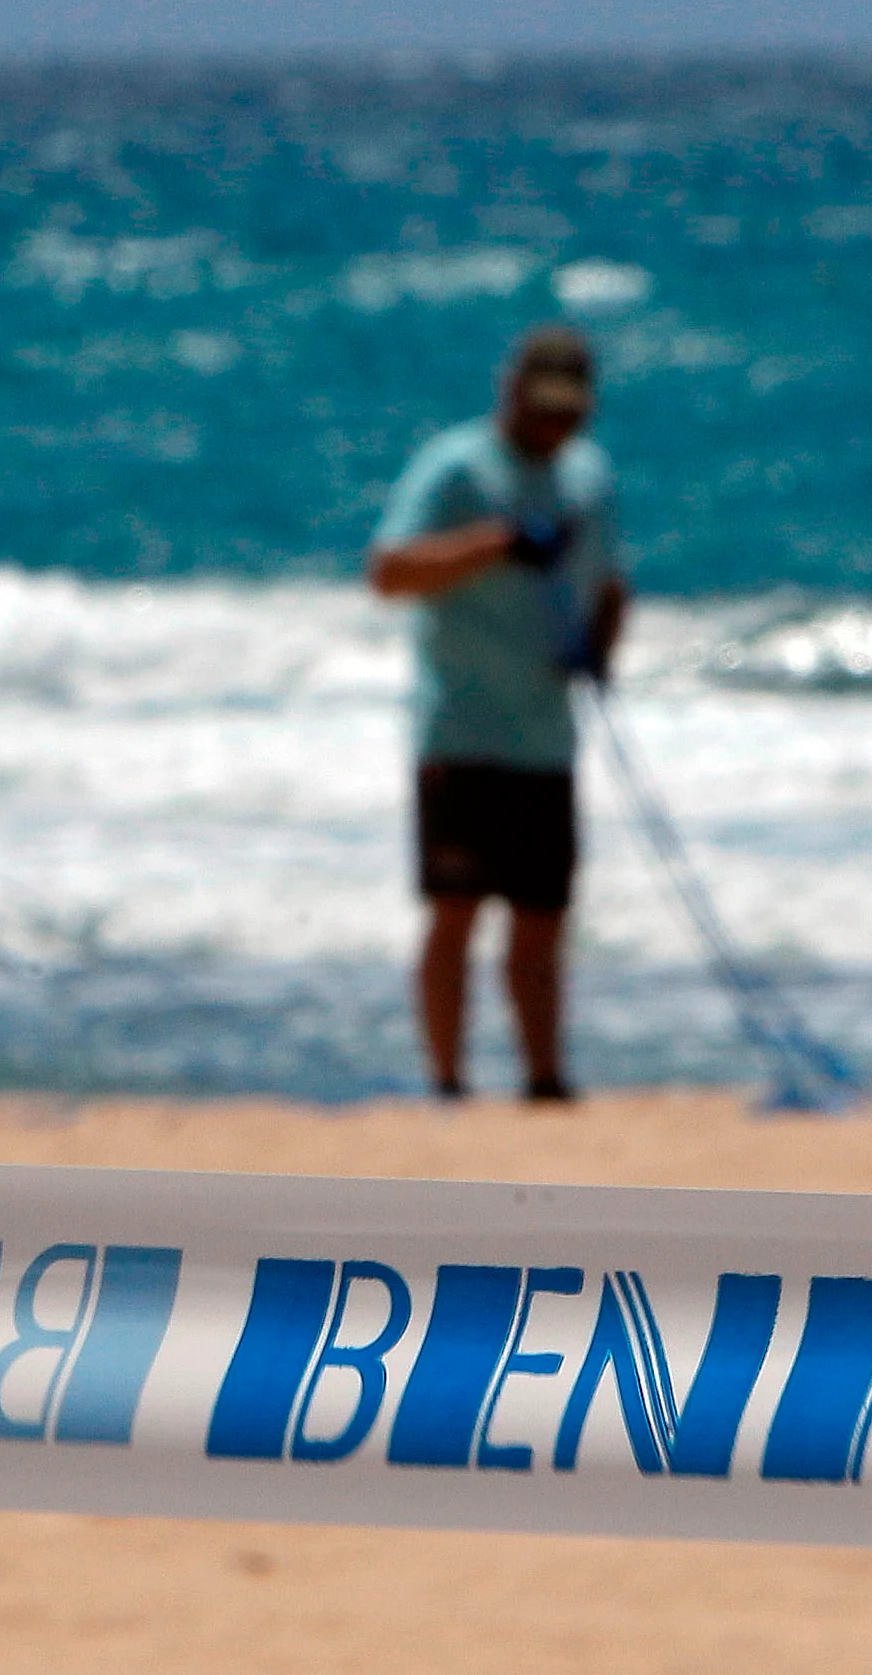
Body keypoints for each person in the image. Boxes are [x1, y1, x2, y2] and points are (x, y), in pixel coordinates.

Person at [364, 323, 628, 1106]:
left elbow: (610, 582)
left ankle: (544, 1078)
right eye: (543, 409)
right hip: (461, 731)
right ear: (511, 394)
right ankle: (447, 1080)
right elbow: (390, 571)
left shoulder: (589, 476)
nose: (555, 427)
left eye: (569, 413)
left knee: (544, 917)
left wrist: (596, 653)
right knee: (455, 911)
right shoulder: (454, 468)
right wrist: (498, 544)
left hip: (547, 735)